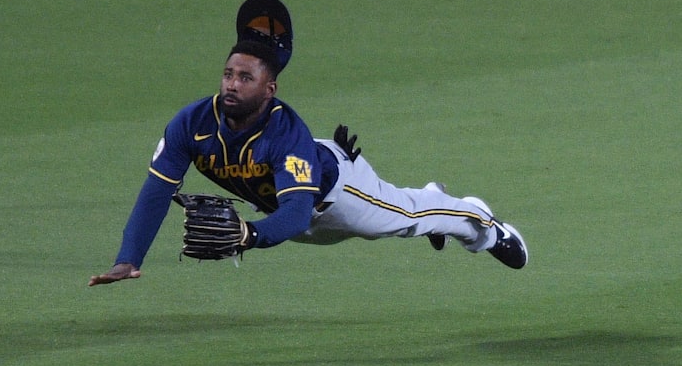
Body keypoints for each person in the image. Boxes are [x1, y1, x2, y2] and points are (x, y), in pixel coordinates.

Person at [88, 23, 528, 287]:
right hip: (282, 219)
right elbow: (155, 192)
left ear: (269, 89)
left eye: (245, 77)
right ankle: (432, 200)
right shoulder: (191, 123)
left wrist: (249, 236)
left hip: (339, 195)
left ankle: (481, 226)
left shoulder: (288, 134)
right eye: (227, 74)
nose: (231, 85)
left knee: (406, 220)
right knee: (403, 216)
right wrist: (129, 259)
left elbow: (298, 213)